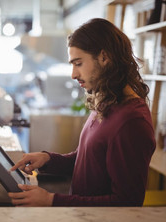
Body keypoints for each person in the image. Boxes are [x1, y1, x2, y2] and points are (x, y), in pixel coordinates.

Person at [8, 18, 156, 207]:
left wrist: (52, 200)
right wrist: (48, 160)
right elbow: (88, 161)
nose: (73, 74)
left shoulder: (132, 121)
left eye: (78, 63)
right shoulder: (107, 103)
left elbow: (127, 202)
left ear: (104, 57)